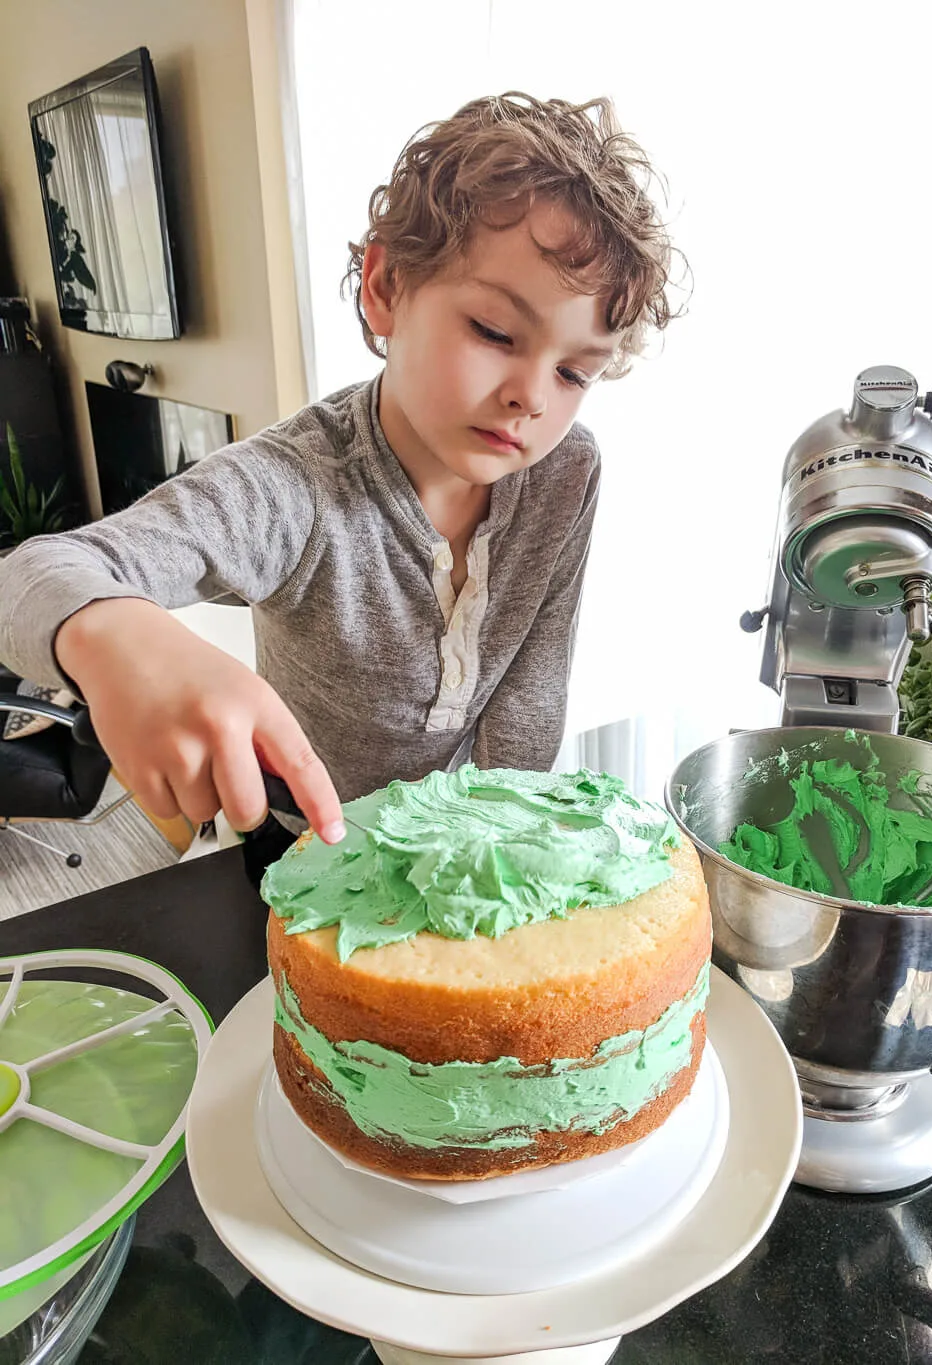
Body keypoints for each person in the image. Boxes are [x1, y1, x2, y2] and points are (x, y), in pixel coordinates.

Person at [0, 92, 679, 878]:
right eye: (495, 332)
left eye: (573, 371)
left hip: (462, 840)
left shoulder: (567, 472)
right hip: (300, 842)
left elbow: (526, 702)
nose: (533, 395)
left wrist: (496, 849)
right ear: (386, 286)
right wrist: (115, 634)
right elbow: (30, 574)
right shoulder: (294, 489)